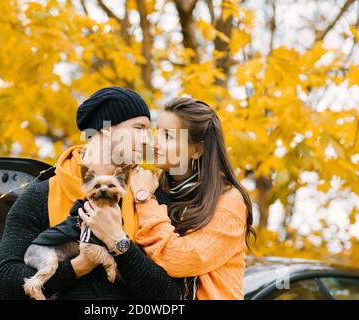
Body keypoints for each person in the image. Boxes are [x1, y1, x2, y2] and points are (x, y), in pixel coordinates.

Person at [0, 87, 186, 300]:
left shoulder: (150, 196)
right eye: (139, 128)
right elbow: (3, 288)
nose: (147, 140)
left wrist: (118, 242)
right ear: (106, 128)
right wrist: (79, 265)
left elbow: (174, 295)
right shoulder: (40, 196)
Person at [79, 97, 256, 300]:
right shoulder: (152, 185)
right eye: (156, 132)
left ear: (197, 149)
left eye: (168, 136)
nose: (154, 143)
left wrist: (144, 200)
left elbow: (178, 259)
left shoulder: (229, 202)